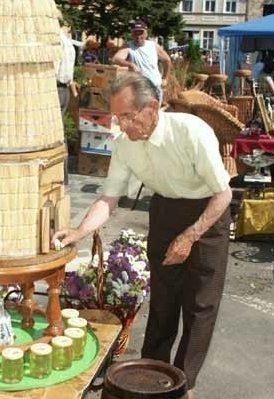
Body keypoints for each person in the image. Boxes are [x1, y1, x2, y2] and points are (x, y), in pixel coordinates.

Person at [53, 73, 232, 399]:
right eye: (116, 117)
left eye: (127, 116)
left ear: (151, 107)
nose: (120, 125)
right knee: (163, 303)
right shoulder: (125, 145)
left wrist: (191, 236)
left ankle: (183, 385)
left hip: (207, 216)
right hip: (165, 212)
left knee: (200, 306)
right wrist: (80, 230)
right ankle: (151, 376)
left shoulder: (191, 133)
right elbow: (109, 198)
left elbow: (223, 194)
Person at [111, 19, 171, 101]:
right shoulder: (128, 46)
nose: (138, 36)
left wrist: (165, 79)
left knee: (154, 112)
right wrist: (130, 64)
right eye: (135, 33)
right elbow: (115, 59)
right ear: (132, 34)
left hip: (155, 87)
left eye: (141, 32)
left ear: (146, 33)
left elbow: (167, 60)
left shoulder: (153, 46)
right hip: (139, 89)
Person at [55, 11, 76, 185]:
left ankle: (58, 175)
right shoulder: (68, 42)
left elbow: (52, 69)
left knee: (53, 133)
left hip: (54, 89)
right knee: (60, 132)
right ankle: (63, 175)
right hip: (64, 90)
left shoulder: (56, 41)